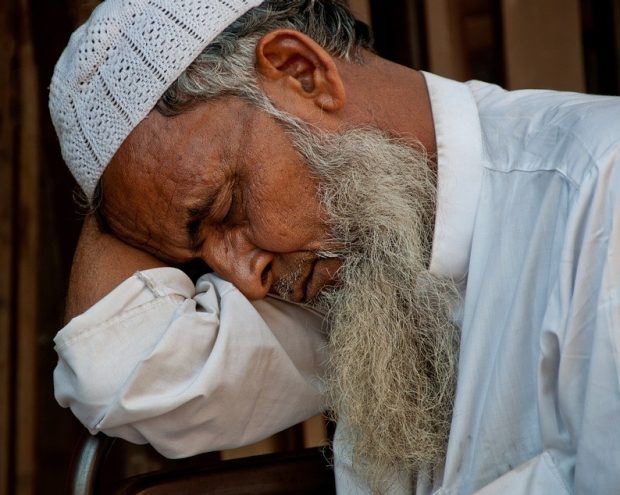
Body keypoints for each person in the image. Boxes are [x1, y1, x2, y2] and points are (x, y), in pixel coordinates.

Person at [49, 0, 620, 493]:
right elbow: (120, 369)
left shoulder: (600, 192)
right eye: (198, 256)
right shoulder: (358, 271)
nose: (246, 280)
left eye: (228, 209)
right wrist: (108, 142)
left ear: (302, 73)